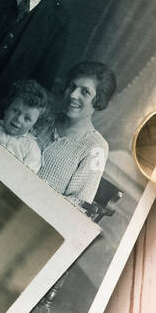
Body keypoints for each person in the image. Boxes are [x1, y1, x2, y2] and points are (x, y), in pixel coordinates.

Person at [36, 61, 116, 206]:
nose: (73, 94)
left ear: (98, 100)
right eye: (72, 86)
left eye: (85, 92)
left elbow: (78, 203)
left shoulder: (96, 148)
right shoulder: (44, 117)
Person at [0, 79, 52, 172]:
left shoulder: (31, 149)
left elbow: (26, 178)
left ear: (34, 126)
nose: (18, 119)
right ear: (7, 108)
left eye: (27, 118)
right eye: (15, 111)